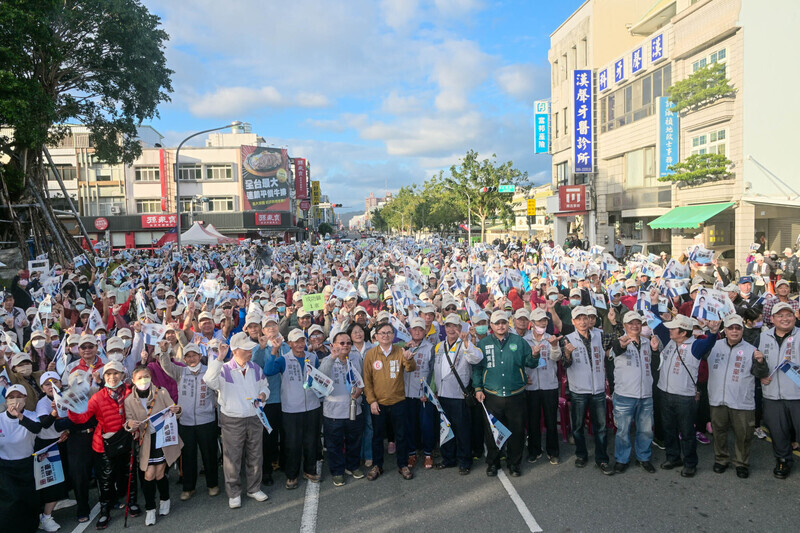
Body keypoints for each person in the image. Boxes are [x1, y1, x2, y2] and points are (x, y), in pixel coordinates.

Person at [68, 360, 141, 529]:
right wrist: (71, 407)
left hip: (126, 439)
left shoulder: (131, 392)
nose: (112, 377)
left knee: (129, 473)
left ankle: (132, 502)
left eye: (116, 373)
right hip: (103, 444)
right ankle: (104, 511)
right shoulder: (98, 396)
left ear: (122, 375)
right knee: (105, 479)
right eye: (108, 374)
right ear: (104, 376)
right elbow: (82, 418)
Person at [203, 332, 270, 509]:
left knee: (255, 454)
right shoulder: (223, 369)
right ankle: (234, 493)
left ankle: (254, 488)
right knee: (232, 457)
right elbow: (209, 380)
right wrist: (219, 358)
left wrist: (264, 394)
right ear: (235, 351)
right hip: (232, 420)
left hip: (254, 417)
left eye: (250, 349)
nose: (250, 352)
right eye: (246, 349)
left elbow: (265, 385)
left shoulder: (255, 367)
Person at [652, 314, 720, 478]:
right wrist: (654, 304)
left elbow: (709, 342)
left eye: (674, 328)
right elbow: (656, 323)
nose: (669, 330)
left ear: (683, 332)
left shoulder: (695, 346)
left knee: (687, 432)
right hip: (664, 392)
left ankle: (690, 463)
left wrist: (713, 332)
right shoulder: (670, 341)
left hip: (684, 397)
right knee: (669, 429)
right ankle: (673, 457)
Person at [473, 310, 539, 477]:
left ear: (508, 323)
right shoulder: (483, 344)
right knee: (493, 431)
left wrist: (535, 355)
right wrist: (478, 388)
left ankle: (514, 464)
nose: (501, 326)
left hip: (515, 395)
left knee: (517, 432)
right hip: (492, 396)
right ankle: (493, 463)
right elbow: (478, 368)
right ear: (492, 326)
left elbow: (530, 363)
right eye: (497, 323)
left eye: (503, 322)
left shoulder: (519, 342)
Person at [706, 314, 768, 479]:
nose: (734, 331)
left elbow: (760, 374)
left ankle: (741, 463)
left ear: (742, 330)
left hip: (742, 401)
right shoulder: (714, 346)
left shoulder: (751, 350)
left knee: (744, 435)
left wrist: (761, 362)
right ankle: (721, 459)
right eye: (731, 328)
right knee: (719, 431)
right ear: (725, 330)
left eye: (738, 328)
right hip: (717, 398)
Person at [157, 343, 219, 500]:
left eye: (194, 355)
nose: (191, 359)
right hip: (186, 421)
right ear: (184, 359)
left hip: (207, 420)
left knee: (209, 454)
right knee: (188, 455)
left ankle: (213, 484)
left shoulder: (209, 371)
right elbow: (166, 365)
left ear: (200, 356)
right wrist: (164, 352)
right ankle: (188, 487)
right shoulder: (181, 372)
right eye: (188, 356)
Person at [124, 364, 183, 526]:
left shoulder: (161, 392)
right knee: (149, 475)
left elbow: (174, 411)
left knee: (158, 473)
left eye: (146, 376)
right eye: (140, 378)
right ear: (133, 381)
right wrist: (131, 424)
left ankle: (164, 500)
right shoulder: (129, 400)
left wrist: (176, 410)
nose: (144, 380)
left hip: (163, 438)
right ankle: (150, 509)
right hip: (146, 441)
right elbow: (127, 422)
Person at [264, 328, 323, 490]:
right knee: (292, 444)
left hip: (312, 406)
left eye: (302, 341)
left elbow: (318, 378)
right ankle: (292, 475)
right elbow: (268, 371)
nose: (299, 344)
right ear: (289, 344)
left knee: (311, 440)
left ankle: (310, 470)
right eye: (296, 342)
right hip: (291, 409)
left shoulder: (312, 357)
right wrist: (274, 349)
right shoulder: (283, 359)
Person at [362, 322, 417, 481]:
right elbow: (367, 380)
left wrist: (408, 359)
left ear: (393, 336)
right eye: (382, 333)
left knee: (401, 435)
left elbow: (410, 368)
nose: (385, 335)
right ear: (376, 336)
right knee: (377, 436)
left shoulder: (401, 351)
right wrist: (371, 401)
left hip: (398, 401)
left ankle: (402, 464)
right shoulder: (371, 354)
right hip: (378, 403)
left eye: (388, 333)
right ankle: (377, 465)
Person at [562, 306, 613, 475]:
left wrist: (613, 323)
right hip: (578, 390)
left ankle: (602, 458)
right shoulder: (567, 339)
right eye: (579, 319)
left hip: (597, 389)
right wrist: (568, 355)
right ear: (573, 321)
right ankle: (581, 454)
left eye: (586, 318)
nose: (583, 321)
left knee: (601, 427)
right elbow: (564, 364)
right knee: (577, 426)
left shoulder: (600, 335)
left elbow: (617, 344)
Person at [430, 314, 483, 474]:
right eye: (448, 326)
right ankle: (448, 458)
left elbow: (476, 358)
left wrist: (467, 343)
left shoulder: (466, 344)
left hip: (459, 396)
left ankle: (465, 461)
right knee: (445, 429)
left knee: (462, 430)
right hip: (443, 395)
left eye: (455, 326)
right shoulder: (439, 346)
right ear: (444, 328)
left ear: (460, 328)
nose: (451, 329)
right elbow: (436, 369)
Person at [609, 312, 658, 474]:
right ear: (624, 326)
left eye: (638, 323)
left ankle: (643, 457)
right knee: (623, 430)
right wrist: (621, 346)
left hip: (645, 394)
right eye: (631, 323)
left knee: (646, 429)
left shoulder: (647, 342)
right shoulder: (619, 342)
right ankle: (622, 458)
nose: (635, 326)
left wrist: (656, 350)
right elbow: (614, 352)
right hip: (625, 394)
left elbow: (655, 364)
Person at [758, 303, 800, 479]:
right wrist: (760, 374)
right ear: (772, 319)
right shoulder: (763, 337)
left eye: (788, 315)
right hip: (772, 394)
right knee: (778, 431)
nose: (785, 319)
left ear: (794, 317)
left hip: (797, 394)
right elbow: (755, 361)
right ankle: (783, 460)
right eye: (780, 315)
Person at [318, 331, 365, 486]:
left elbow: (362, 378)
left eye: (348, 343)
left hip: (353, 408)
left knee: (354, 441)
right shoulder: (327, 360)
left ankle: (353, 466)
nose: (345, 346)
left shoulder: (356, 358)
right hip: (333, 411)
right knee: (334, 444)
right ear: (333, 345)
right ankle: (337, 471)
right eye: (341, 343)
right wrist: (332, 357)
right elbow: (321, 378)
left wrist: (360, 390)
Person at [0, 384, 43, 532]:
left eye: (19, 396)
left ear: (25, 398)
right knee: (10, 501)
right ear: (6, 400)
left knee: (28, 499)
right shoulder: (0, 418)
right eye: (11, 397)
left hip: (27, 464)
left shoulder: (32, 415)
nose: (15, 400)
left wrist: (19, 416)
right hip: (5, 466)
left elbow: (37, 429)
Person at [523, 308, 563, 465]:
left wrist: (554, 346)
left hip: (549, 385)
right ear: (532, 323)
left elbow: (556, 357)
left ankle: (553, 451)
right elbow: (521, 361)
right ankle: (534, 450)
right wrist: (523, 376)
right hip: (531, 386)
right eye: (539, 321)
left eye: (544, 321)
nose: (542, 323)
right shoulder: (524, 341)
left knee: (551, 420)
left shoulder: (551, 338)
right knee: (533, 420)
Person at [403, 317, 436, 470]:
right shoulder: (402, 347)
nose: (417, 332)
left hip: (423, 394)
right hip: (406, 394)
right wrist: (404, 347)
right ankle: (411, 453)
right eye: (414, 329)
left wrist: (428, 392)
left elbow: (434, 371)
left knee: (426, 425)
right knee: (409, 425)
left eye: (420, 329)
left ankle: (428, 453)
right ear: (410, 330)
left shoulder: (430, 348)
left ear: (425, 332)